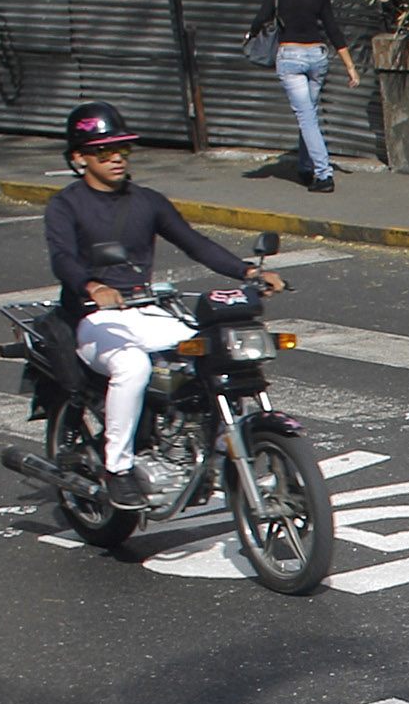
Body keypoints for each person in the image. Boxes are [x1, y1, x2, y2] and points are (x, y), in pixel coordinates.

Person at [42, 102, 281, 507]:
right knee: (132, 365)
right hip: (93, 319)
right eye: (103, 151)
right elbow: (62, 258)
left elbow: (195, 243)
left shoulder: (147, 202)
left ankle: (219, 445)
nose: (116, 157)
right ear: (79, 158)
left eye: (123, 149)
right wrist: (92, 285)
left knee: (217, 350)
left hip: (147, 311)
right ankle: (117, 468)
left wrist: (248, 273)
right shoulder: (65, 206)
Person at [253, 0, 359, 194]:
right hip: (318, 56)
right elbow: (333, 30)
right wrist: (350, 67)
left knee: (306, 117)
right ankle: (305, 165)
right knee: (308, 113)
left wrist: (251, 32)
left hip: (291, 56)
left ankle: (324, 175)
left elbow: (262, 17)